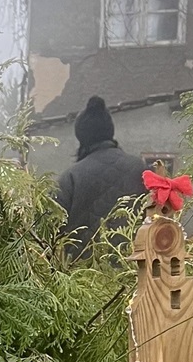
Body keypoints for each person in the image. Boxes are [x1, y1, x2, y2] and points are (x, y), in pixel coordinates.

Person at [54, 96, 147, 258]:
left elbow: (50, 231)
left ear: (81, 136)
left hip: (82, 277)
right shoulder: (141, 170)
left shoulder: (70, 178)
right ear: (109, 130)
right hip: (136, 271)